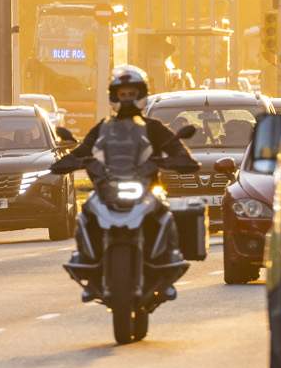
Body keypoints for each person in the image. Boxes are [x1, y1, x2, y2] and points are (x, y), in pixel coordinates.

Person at [42, 64, 204, 300]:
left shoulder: (154, 128)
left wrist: (181, 161)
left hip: (145, 188)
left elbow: (177, 148)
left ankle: (166, 269)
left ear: (141, 95)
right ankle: (88, 261)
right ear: (114, 96)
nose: (127, 99)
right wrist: (66, 162)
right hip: (109, 186)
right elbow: (83, 150)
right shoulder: (103, 128)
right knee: (87, 211)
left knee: (165, 214)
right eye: (122, 94)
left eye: (132, 94)